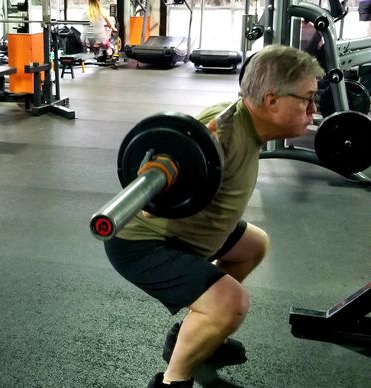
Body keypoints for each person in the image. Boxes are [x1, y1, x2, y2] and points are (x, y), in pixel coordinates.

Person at [104, 44, 325, 388]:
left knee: (254, 245)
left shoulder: (248, 122)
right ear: (271, 101)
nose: (313, 109)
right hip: (144, 243)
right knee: (230, 304)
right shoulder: (221, 131)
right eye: (307, 99)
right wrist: (159, 179)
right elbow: (178, 152)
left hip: (193, 231)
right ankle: (173, 380)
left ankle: (191, 332)